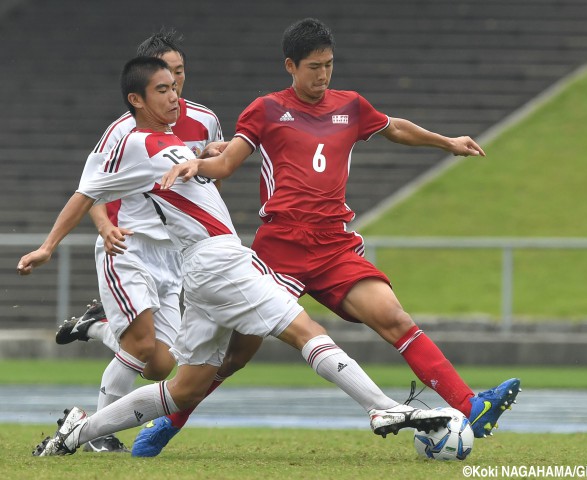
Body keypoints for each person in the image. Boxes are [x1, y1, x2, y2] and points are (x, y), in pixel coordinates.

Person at [19, 56, 451, 457]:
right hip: (216, 262)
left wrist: (204, 155)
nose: (174, 96)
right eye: (163, 90)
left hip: (207, 264)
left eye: (175, 87)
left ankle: (77, 431)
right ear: (137, 99)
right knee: (305, 330)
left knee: (185, 389)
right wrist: (47, 247)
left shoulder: (169, 140)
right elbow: (87, 192)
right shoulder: (131, 142)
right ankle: (381, 408)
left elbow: (195, 173)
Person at [141, 17, 521, 455]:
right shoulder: (265, 109)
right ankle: (169, 423)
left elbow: (395, 127)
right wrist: (198, 164)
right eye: (313, 67)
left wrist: (446, 142)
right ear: (291, 66)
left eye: (328, 65)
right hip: (279, 248)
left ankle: (471, 404)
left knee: (395, 318)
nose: (323, 75)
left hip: (333, 246)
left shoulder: (351, 106)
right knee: (236, 354)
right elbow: (227, 164)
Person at [53, 28, 224, 453]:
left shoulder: (204, 119)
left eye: (180, 73)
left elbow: (207, 174)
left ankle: (95, 326)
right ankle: (97, 432)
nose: (176, 84)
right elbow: (93, 187)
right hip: (132, 246)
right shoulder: (122, 131)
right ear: (145, 84)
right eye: (166, 76)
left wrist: (222, 154)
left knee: (160, 364)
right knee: (142, 344)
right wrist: (103, 226)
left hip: (176, 255)